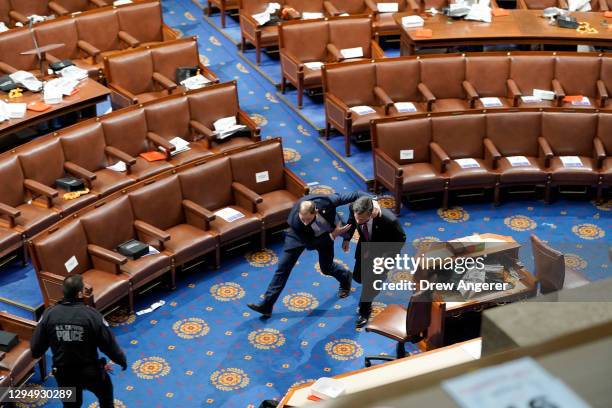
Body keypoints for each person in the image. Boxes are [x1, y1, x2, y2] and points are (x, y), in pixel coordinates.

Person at [248, 191, 370, 317]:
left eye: (307, 219)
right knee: (283, 268)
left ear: (316, 211)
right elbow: (310, 245)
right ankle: (267, 305)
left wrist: (371, 201)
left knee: (326, 268)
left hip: (325, 234)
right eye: (302, 218)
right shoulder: (296, 222)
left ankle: (345, 277)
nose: (305, 222)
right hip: (300, 237)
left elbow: (354, 194)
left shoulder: (325, 202)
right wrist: (333, 235)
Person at [30, 275, 127, 408]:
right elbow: (109, 345)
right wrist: (121, 360)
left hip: (64, 374)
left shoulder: (48, 314)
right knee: (106, 398)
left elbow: (36, 350)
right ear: (80, 293)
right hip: (91, 372)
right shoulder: (93, 315)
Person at [343, 196, 406, 328]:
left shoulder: (390, 221)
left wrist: (386, 258)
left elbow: (400, 239)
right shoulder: (355, 208)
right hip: (365, 248)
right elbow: (351, 221)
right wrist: (347, 238)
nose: (358, 221)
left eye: (361, 219)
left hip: (383, 254)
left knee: (370, 284)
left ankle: (364, 311)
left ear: (371, 213)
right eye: (356, 218)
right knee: (359, 278)